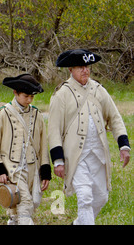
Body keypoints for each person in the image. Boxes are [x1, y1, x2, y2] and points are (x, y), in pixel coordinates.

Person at [48, 49, 130, 225]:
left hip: (98, 154)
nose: (85, 70)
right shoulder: (61, 94)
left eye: (87, 66)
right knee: (84, 197)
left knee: (101, 197)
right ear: (70, 69)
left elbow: (115, 118)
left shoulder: (99, 89)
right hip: (76, 156)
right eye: (80, 67)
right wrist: (58, 161)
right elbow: (54, 130)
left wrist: (123, 146)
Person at [0, 73, 51, 225]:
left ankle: (14, 221)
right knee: (26, 203)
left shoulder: (37, 115)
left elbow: (43, 146)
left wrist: (45, 171)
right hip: (12, 168)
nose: (29, 100)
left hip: (32, 168)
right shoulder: (2, 114)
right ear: (15, 93)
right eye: (26, 96)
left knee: (32, 203)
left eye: (32, 97)